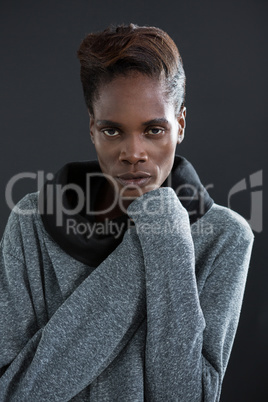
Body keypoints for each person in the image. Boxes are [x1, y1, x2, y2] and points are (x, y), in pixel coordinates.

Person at [0, 24, 254, 401]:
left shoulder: (224, 237)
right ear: (92, 129)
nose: (133, 152)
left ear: (180, 125)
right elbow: (17, 393)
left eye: (153, 130)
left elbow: (184, 395)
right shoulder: (32, 221)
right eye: (113, 131)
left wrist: (167, 230)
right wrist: (144, 242)